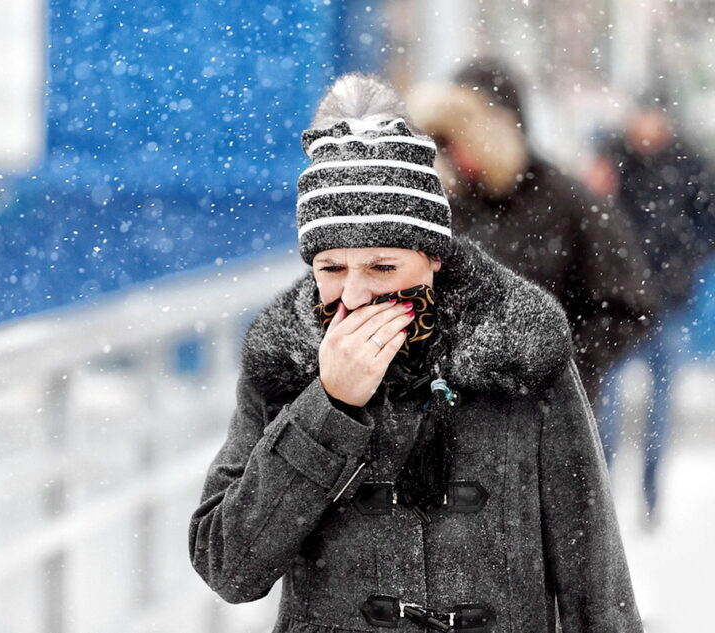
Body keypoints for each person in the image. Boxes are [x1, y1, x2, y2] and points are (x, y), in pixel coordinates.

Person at [189, 73, 642, 633]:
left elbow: (592, 576)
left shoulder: (521, 347)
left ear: (434, 259)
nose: (354, 295)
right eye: (331, 268)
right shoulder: (287, 357)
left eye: (382, 267)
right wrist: (327, 408)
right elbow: (228, 568)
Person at [404, 57, 656, 411]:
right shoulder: (439, 202)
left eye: (462, 139)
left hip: (548, 427)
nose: (455, 154)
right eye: (445, 142)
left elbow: (629, 304)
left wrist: (562, 370)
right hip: (451, 422)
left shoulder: (568, 203)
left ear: (501, 132)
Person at [586, 91, 715, 521]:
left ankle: (650, 492)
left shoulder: (689, 163)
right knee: (608, 402)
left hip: (669, 302)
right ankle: (605, 492)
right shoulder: (614, 159)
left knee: (661, 404)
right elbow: (591, 218)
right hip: (621, 305)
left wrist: (685, 260)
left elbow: (707, 224)